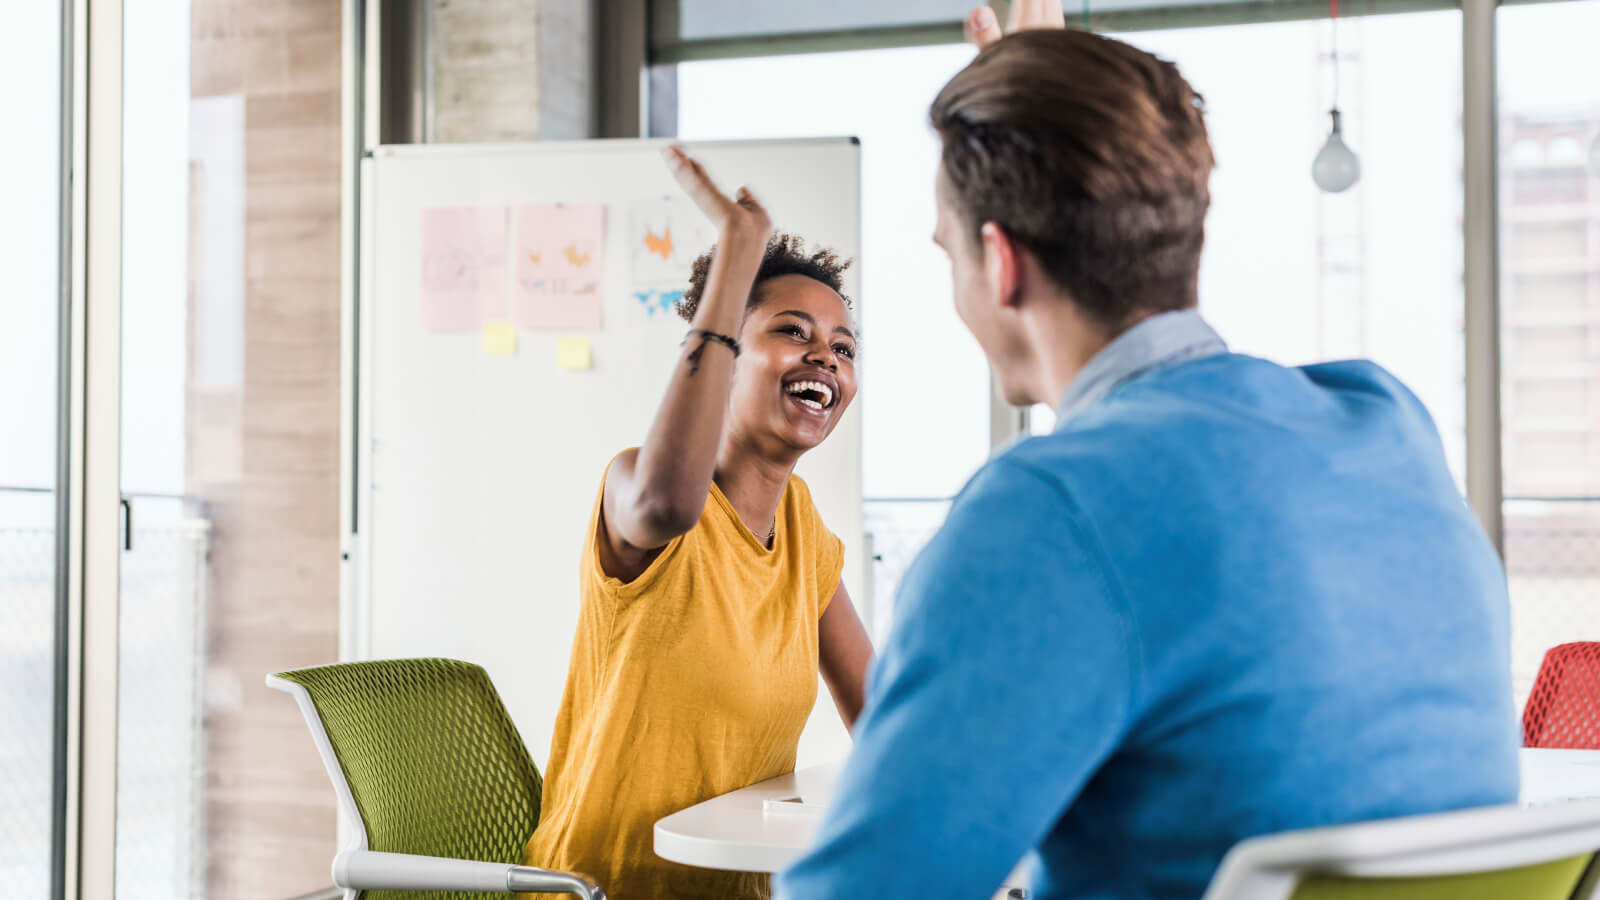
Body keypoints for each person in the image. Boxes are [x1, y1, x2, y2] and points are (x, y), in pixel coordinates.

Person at [775, 3, 1519, 898]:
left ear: (999, 262)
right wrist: (1045, 114)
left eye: (947, 254)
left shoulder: (1046, 512)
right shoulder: (1386, 424)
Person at [522, 146, 874, 900]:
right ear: (728, 352)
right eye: (793, 332)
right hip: (603, 888)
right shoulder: (635, 487)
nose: (827, 357)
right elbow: (664, 505)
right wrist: (734, 266)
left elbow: (880, 714)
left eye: (843, 347)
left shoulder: (804, 531)